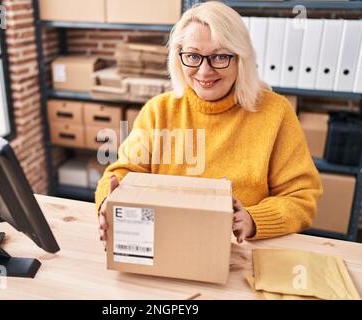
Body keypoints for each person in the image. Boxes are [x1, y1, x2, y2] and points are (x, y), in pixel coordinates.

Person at [95, 1, 322, 246]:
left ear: (240, 59)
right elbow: (120, 173)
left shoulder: (276, 113)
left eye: (219, 56)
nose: (204, 71)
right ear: (178, 57)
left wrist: (252, 219)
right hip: (168, 243)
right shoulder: (158, 110)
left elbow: (301, 197)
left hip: (243, 250)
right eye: (193, 56)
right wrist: (110, 199)